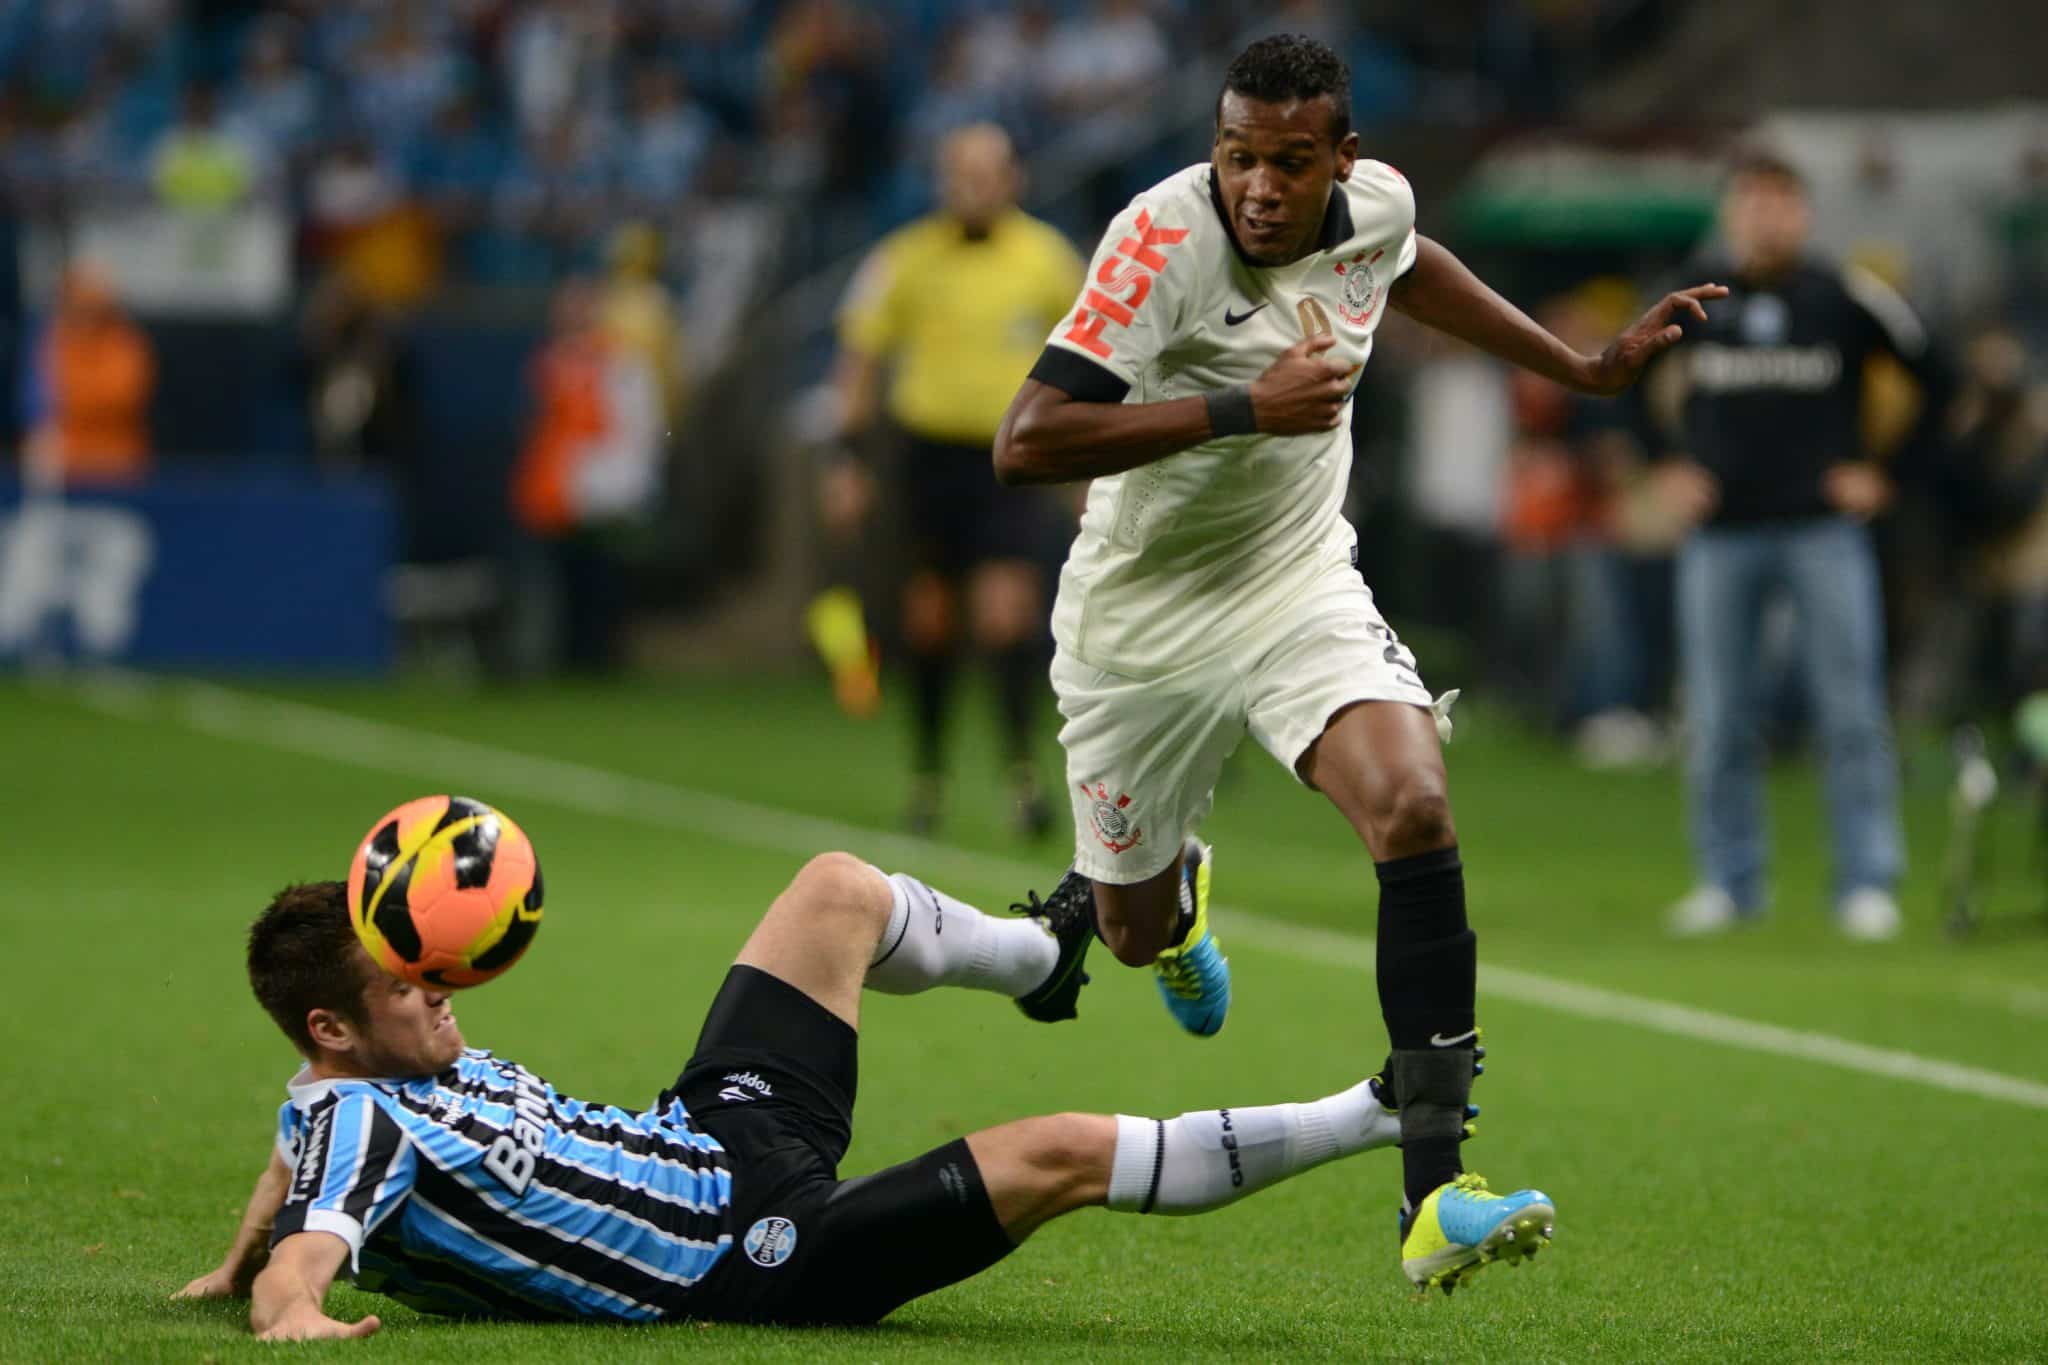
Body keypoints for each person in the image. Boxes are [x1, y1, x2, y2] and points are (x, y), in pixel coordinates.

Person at [993, 34, 1719, 1287]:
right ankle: (1175, 913)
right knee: (1122, 928)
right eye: (1235, 158)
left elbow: (1406, 266)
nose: (1257, 187)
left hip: (1291, 582)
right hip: (1137, 623)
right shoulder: (1156, 241)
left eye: (1286, 161)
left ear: (1343, 158)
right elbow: (1025, 439)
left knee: (1413, 798)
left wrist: (1579, 368)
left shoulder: (1373, 208)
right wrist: (1241, 408)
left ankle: (1432, 1191)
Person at [171, 847, 1509, 1339]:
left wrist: (228, 1267)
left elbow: (302, 1152)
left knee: (836, 890)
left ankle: (1047, 957)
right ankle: (1386, 1109)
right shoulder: (360, 1109)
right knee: (1058, 1153)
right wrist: (286, 1307)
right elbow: (320, 1234)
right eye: (411, 982)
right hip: (747, 1261)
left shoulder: (336, 1093)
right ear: (338, 1023)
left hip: (705, 1134)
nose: (446, 981)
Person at [1634, 149, 1952, 942]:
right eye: (1752, 201)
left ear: (1804, 214)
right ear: (1731, 212)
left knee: (1850, 710)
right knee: (1717, 716)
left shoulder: (1843, 295)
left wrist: (1885, 472)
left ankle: (1868, 880)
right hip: (1722, 534)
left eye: (1781, 202)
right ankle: (1729, 881)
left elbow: (1936, 377)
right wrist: (1663, 464)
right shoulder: (1692, 290)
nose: (1767, 216)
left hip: (1822, 529)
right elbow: (1621, 375)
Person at [825, 122, 1084, 837]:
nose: (970, 185)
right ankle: (929, 776)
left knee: (1007, 614)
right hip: (927, 456)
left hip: (1013, 456)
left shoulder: (1048, 259)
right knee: (930, 620)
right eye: (957, 173)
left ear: (1012, 179)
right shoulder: (906, 259)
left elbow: (1094, 357)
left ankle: (1023, 776)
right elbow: (859, 359)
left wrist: (1086, 462)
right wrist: (847, 460)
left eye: (984, 172)